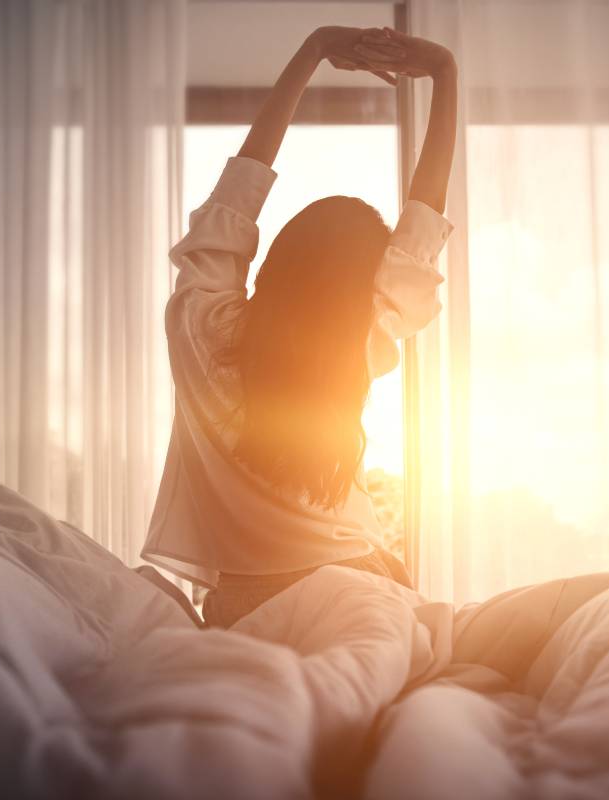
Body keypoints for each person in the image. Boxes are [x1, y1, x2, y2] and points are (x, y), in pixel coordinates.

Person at [141, 25, 458, 627]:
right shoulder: (358, 343)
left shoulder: (198, 325)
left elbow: (238, 193)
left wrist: (313, 51)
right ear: (361, 287)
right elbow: (422, 222)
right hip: (362, 583)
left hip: (243, 603)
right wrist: (444, 72)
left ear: (279, 257)